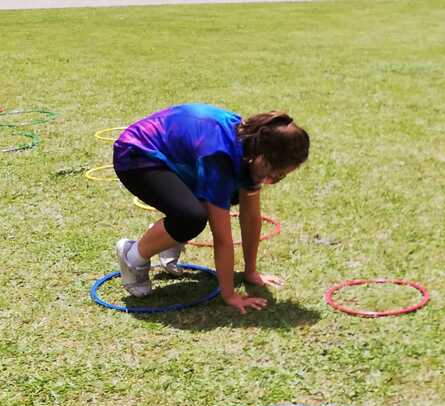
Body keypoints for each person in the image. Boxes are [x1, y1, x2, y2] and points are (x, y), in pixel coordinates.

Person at [112, 103, 309, 314]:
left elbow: (251, 217)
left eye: (280, 177)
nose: (272, 180)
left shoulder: (253, 146)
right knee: (191, 218)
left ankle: (167, 238)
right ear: (262, 157)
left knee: (231, 192)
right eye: (275, 173)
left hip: (176, 158)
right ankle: (132, 257)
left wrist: (251, 272)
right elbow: (222, 239)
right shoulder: (220, 157)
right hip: (137, 154)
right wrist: (229, 295)